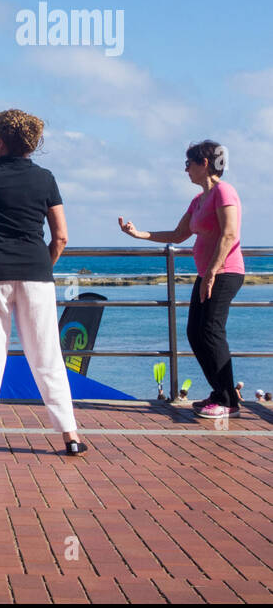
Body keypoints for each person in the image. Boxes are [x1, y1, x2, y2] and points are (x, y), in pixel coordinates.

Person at [0, 109, 87, 457]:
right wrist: (41, 266)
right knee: (47, 356)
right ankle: (71, 436)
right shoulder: (46, 178)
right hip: (36, 274)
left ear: (1, 141)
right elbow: (61, 236)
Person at [118, 140, 244, 418]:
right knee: (195, 333)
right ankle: (219, 391)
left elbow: (229, 234)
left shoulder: (224, 191)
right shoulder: (198, 200)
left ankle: (228, 401)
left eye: (189, 163)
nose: (185, 169)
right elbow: (177, 235)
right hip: (207, 273)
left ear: (204, 163)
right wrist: (140, 235)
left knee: (211, 332)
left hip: (224, 272)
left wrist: (212, 271)